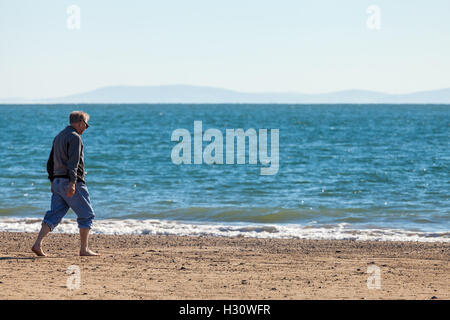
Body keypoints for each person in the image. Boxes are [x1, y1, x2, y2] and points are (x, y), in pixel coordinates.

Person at [32, 111, 99, 257]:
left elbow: (50, 163)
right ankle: (84, 249)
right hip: (70, 182)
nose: (86, 128)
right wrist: (73, 183)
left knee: (53, 215)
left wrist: (52, 180)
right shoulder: (75, 137)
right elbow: (73, 163)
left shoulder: (58, 137)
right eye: (86, 125)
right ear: (81, 122)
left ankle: (37, 244)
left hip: (57, 182)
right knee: (87, 215)